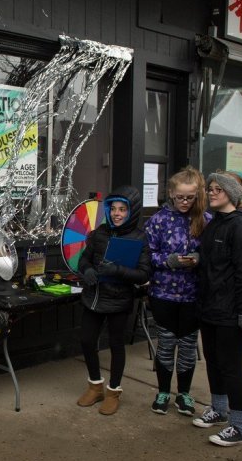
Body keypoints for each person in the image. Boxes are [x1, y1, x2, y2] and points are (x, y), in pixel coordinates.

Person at [193, 170, 242, 446]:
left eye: (218, 189)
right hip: (210, 308)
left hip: (232, 311)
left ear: (231, 193)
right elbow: (211, 263)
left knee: (231, 367)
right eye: (210, 188)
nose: (211, 192)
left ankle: (239, 427)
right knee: (214, 362)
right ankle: (219, 411)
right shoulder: (214, 223)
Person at [76, 186, 151, 415]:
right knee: (87, 341)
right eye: (113, 209)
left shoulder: (139, 238)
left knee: (117, 345)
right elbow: (83, 260)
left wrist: (118, 270)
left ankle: (113, 391)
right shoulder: (99, 233)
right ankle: (95, 385)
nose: (117, 213)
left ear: (132, 212)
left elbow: (144, 274)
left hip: (119, 300)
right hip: (94, 297)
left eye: (123, 209)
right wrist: (86, 270)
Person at [144, 166, 211, 415]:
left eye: (190, 197)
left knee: (187, 345)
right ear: (171, 193)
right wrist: (169, 260)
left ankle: (184, 394)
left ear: (197, 195)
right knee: (166, 343)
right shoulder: (157, 221)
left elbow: (212, 255)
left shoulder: (206, 220)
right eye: (180, 196)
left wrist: (198, 258)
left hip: (193, 294)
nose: (185, 202)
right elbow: (147, 255)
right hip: (163, 294)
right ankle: (162, 392)